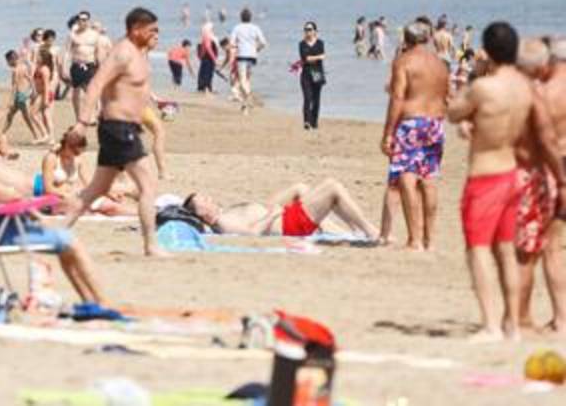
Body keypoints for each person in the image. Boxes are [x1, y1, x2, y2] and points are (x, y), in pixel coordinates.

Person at [447, 22, 558, 342]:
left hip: (485, 174)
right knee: (506, 250)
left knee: (478, 249)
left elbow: (454, 112)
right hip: (512, 173)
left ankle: (491, 325)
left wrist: (472, 78)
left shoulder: (484, 87)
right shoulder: (526, 87)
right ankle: (512, 325)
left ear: (489, 51)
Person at [0, 129, 107, 304]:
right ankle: (100, 302)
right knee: (70, 241)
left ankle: (91, 301)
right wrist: (37, 214)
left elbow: (8, 198)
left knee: (65, 242)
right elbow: (13, 198)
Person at [64, 7, 164, 257]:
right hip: (118, 128)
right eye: (152, 30)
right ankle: (151, 245)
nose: (156, 34)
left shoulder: (139, 53)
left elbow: (135, 89)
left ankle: (58, 232)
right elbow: (96, 85)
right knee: (148, 186)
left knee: (94, 191)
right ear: (136, 30)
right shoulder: (122, 54)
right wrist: (82, 122)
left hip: (124, 128)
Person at [378, 21, 449, 250]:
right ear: (427, 39)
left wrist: (388, 133)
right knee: (429, 180)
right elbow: (447, 96)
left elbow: (398, 98)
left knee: (407, 178)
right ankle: (430, 240)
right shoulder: (440, 63)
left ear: (406, 41)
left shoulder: (403, 62)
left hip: (411, 123)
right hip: (435, 123)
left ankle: (415, 240)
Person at [512, 38, 566, 334]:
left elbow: (538, 141)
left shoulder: (544, 93)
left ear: (550, 63)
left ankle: (560, 318)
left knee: (550, 247)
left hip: (555, 166)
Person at [183, 179, 379, 238]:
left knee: (300, 188)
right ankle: (368, 230)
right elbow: (253, 233)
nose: (209, 199)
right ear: (203, 215)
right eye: (205, 201)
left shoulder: (221, 214)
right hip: (286, 223)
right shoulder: (223, 222)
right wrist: (273, 214)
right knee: (333, 187)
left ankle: (348, 231)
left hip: (273, 213)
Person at [228, 8, 267, 114]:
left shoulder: (237, 28)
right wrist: (256, 50)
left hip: (242, 56)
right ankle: (245, 107)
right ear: (251, 17)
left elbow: (231, 43)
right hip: (252, 56)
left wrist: (237, 46)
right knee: (247, 80)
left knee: (242, 80)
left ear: (241, 17)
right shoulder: (255, 28)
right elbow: (263, 42)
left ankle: (249, 95)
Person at [65, 11, 102, 120]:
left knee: (90, 90)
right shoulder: (72, 35)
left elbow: (98, 51)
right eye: (81, 19)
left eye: (85, 19)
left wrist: (100, 66)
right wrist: (64, 67)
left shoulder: (94, 35)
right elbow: (67, 51)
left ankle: (94, 114)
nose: (83, 21)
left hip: (90, 64)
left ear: (88, 21)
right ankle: (78, 116)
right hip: (76, 64)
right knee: (75, 92)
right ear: (77, 21)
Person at [1, 50, 43, 142]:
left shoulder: (15, 71)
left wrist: (11, 100)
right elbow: (30, 79)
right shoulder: (24, 67)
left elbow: (14, 86)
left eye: (7, 61)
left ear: (11, 60)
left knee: (26, 118)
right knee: (10, 116)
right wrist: (34, 91)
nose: (7, 64)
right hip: (24, 95)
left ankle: (37, 136)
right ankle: (2, 134)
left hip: (19, 96)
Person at [298, 21, 326, 130]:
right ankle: (307, 122)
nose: (307, 32)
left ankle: (314, 122)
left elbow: (323, 56)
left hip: (317, 73)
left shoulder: (320, 43)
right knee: (307, 98)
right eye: (306, 29)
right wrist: (317, 57)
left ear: (315, 31)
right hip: (306, 74)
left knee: (316, 99)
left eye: (310, 29)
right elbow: (305, 58)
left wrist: (313, 57)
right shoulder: (301, 44)